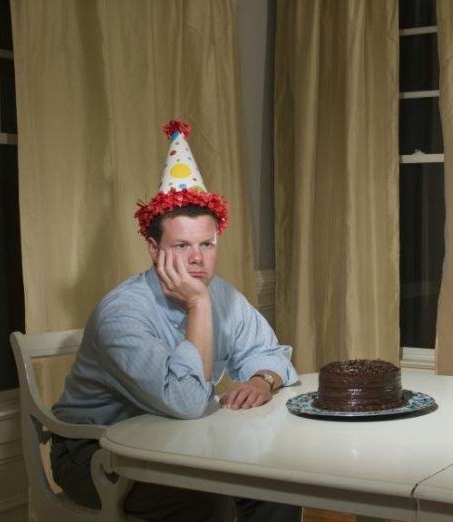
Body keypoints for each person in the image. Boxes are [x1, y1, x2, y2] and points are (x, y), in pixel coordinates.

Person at [50, 120, 300, 521]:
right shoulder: (121, 313)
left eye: (207, 244)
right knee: (209, 503)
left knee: (278, 486)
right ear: (154, 248)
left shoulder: (224, 296)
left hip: (179, 441)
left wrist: (261, 380)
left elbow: (271, 353)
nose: (197, 258)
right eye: (181, 245)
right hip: (97, 451)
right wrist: (198, 304)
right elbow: (185, 403)